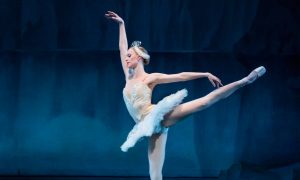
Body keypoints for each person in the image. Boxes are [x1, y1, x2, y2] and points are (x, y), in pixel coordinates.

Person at [105, 11, 266, 180]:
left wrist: (204, 73)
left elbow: (180, 76)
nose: (126, 58)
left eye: (129, 56)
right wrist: (121, 24)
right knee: (155, 174)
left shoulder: (149, 79)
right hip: (147, 127)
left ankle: (245, 80)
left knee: (204, 102)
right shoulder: (128, 77)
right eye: (126, 57)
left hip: (157, 116)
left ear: (138, 57)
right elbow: (122, 48)